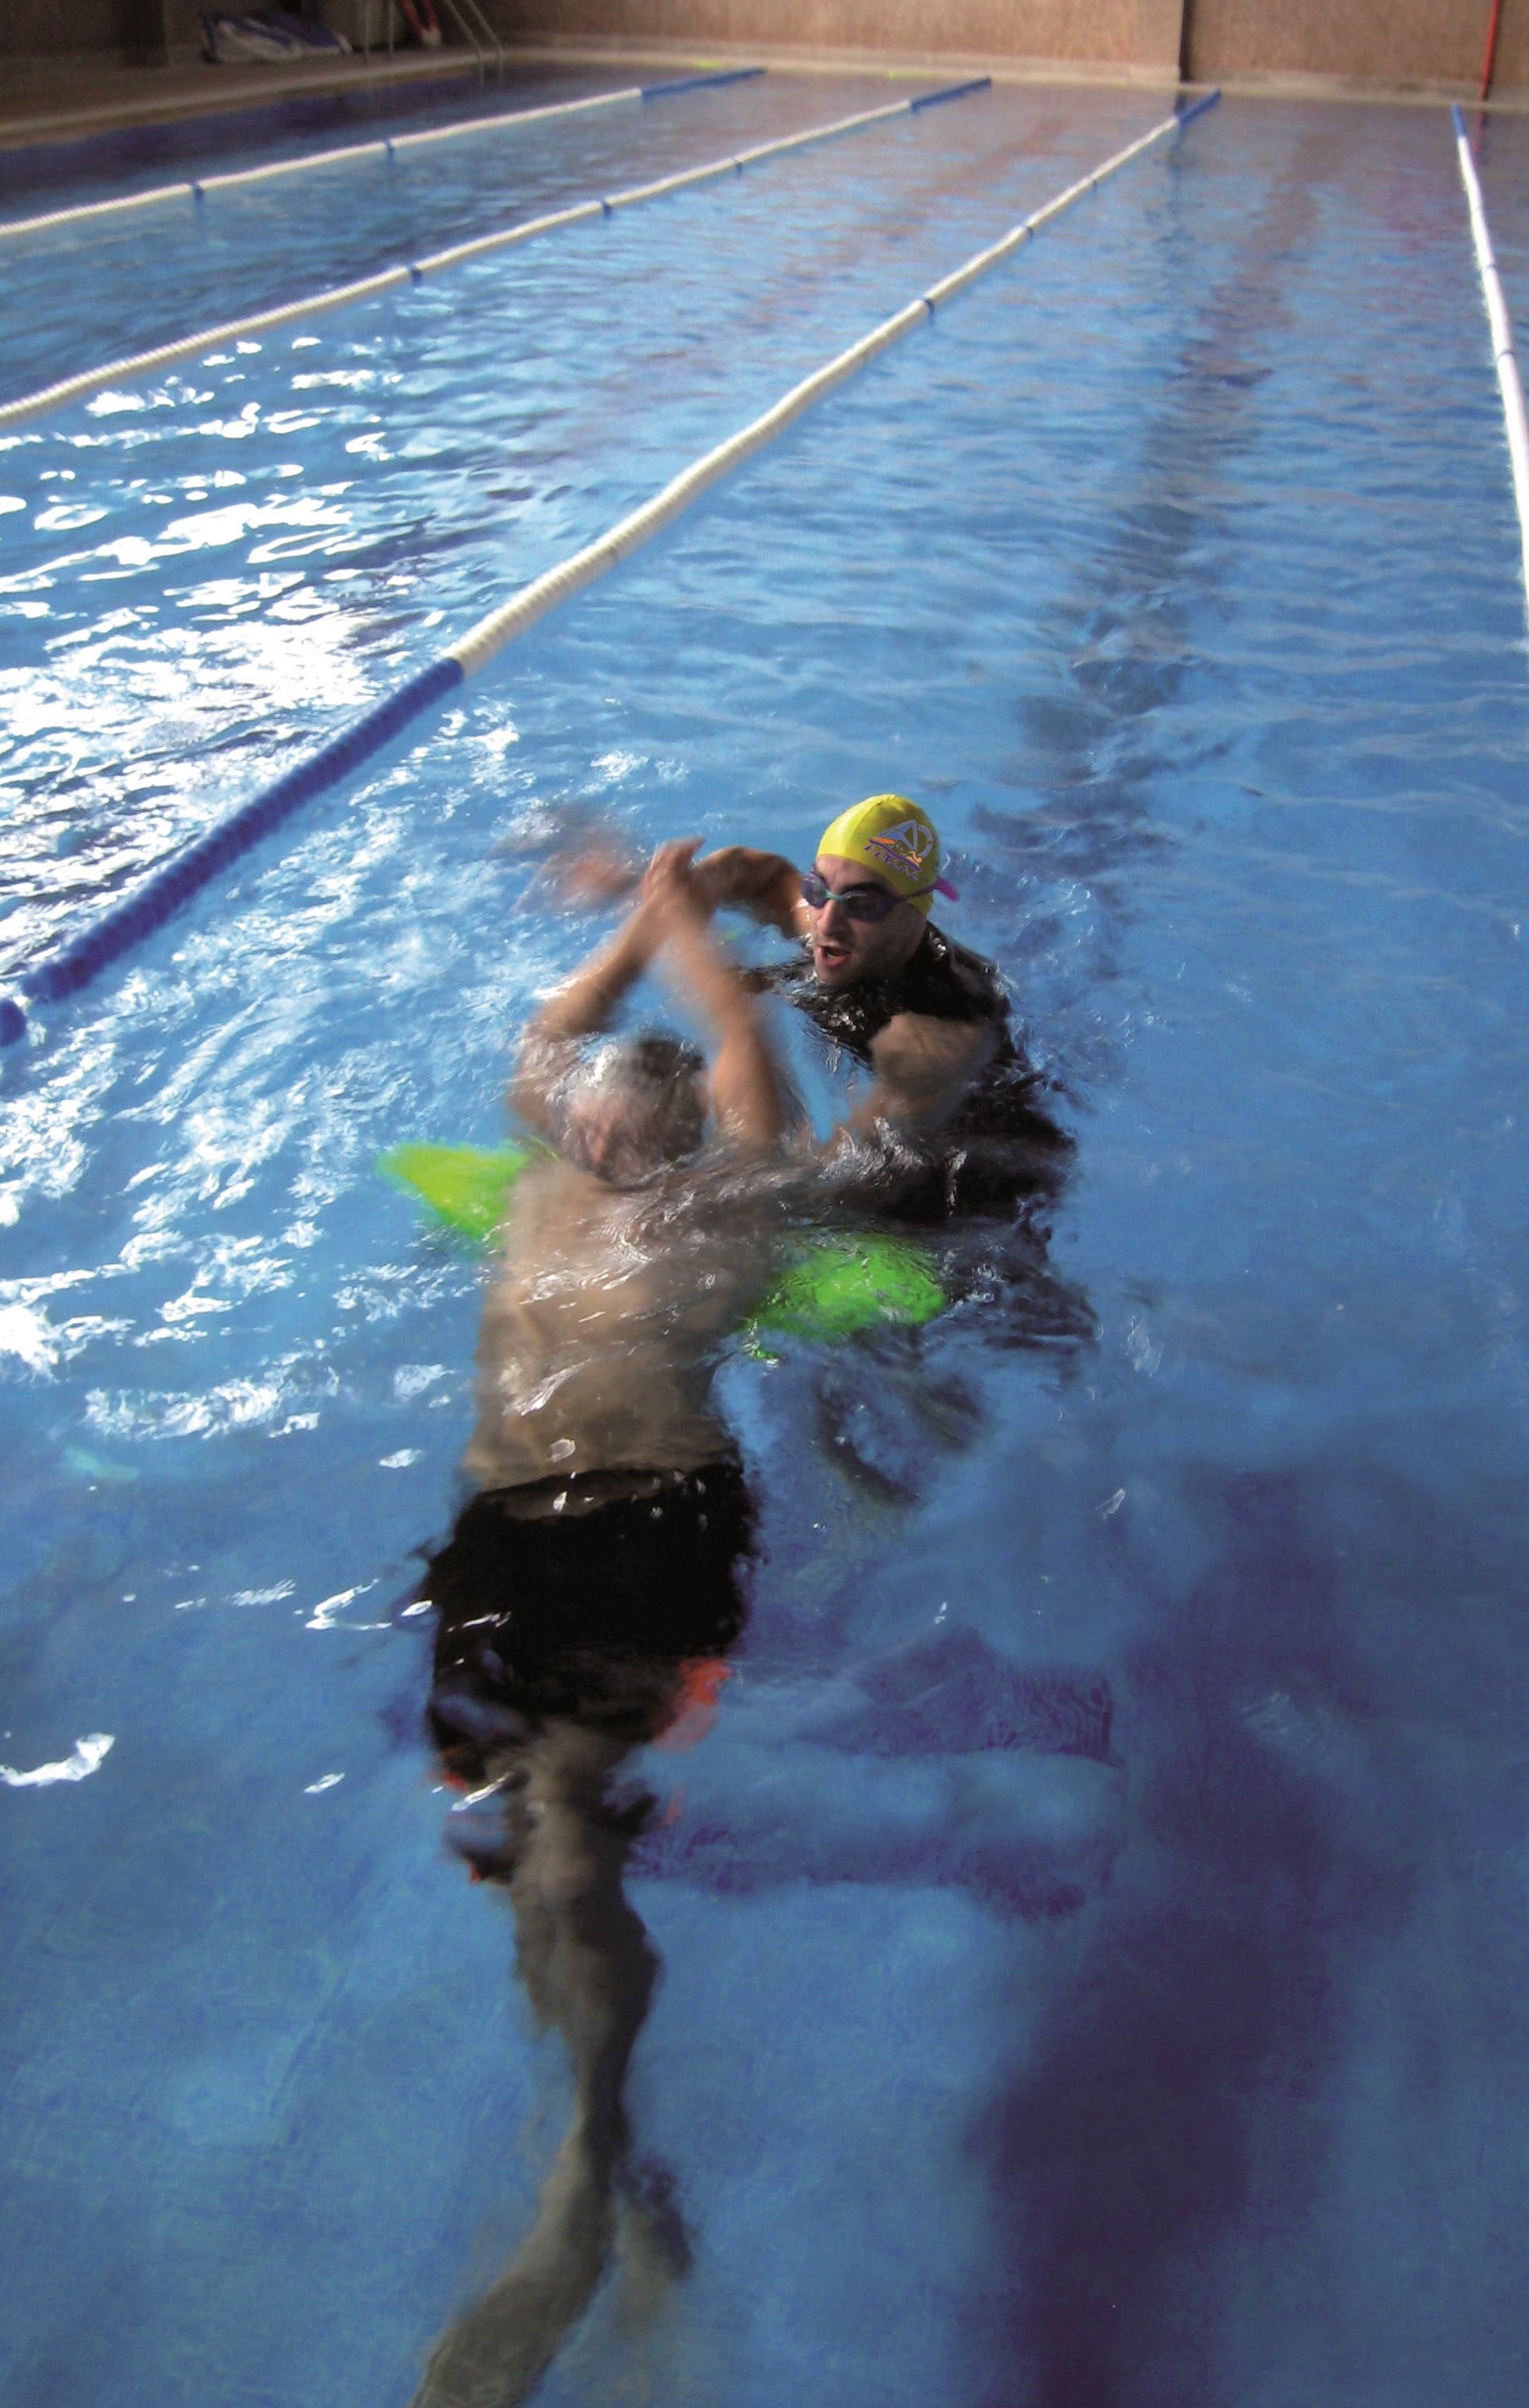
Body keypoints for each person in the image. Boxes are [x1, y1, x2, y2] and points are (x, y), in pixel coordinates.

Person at [410, 852, 787, 2408]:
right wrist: (636, 917)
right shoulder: (540, 1172)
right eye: (596, 1108)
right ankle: (608, 2136)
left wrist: (682, 932)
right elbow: (544, 1033)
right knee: (520, 1847)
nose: (607, 1119)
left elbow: (747, 1060)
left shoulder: (728, 1197)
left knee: (563, 1825)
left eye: (648, 1110)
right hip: (497, 1543)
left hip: (651, 1529)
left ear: (681, 1126)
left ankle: (579, 2178)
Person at [685, 796, 1072, 1226]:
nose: (825, 923)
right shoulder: (840, 927)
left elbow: (817, 1186)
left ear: (917, 912)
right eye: (818, 889)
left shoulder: (930, 1037)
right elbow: (764, 876)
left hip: (956, 1219)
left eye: (861, 903)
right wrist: (703, 881)